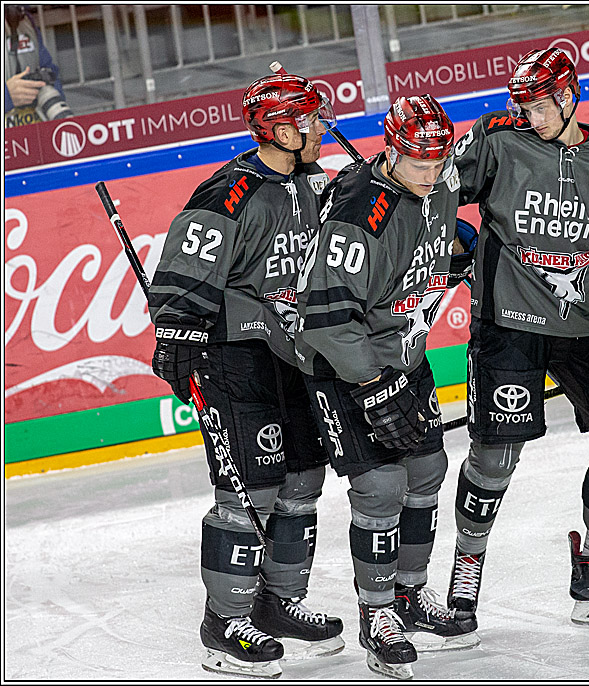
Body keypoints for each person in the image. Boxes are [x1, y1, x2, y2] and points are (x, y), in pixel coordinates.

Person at [446, 47, 589, 628]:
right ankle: (465, 576)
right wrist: (449, 239)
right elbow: (435, 193)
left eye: (540, 104)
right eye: (524, 104)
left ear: (570, 96)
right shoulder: (496, 138)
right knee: (493, 457)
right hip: (509, 321)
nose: (531, 115)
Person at [148, 73, 343, 679]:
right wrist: (178, 333)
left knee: (304, 480)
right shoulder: (227, 193)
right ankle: (225, 621)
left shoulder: (320, 186)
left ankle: (278, 603)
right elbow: (183, 273)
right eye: (310, 117)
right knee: (246, 492)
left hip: (299, 357)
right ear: (281, 128)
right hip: (236, 358)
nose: (321, 126)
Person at [296, 94, 477, 680]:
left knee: (426, 475)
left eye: (438, 160)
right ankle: (377, 616)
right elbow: (326, 318)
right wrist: (372, 387)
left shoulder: (440, 181)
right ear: (392, 151)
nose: (431, 172)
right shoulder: (358, 211)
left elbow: (424, 249)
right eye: (418, 162)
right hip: (346, 366)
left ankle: (409, 595)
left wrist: (456, 252)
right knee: (379, 487)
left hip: (405, 357)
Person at [4, 4, 72, 126]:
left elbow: (49, 70)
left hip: (33, 130)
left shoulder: (24, 19)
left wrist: (47, 87)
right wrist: (7, 96)